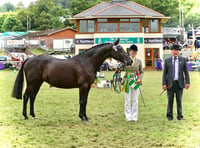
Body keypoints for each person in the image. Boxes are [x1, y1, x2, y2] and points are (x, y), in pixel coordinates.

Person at [162, 44, 190, 121]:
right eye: (174, 50)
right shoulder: (167, 61)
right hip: (170, 84)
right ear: (171, 51)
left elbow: (186, 72)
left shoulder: (183, 60)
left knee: (179, 100)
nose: (176, 52)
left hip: (179, 83)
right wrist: (164, 84)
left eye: (177, 50)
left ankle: (180, 116)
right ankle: (169, 116)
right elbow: (164, 74)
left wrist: (187, 82)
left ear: (179, 51)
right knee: (170, 100)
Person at [122, 44, 144, 122]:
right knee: (127, 99)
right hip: (127, 81)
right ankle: (128, 116)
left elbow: (141, 72)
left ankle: (134, 116)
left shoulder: (139, 61)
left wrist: (139, 79)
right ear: (129, 51)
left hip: (135, 82)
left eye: (135, 51)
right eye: (132, 51)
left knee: (135, 100)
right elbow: (121, 68)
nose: (133, 52)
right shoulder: (125, 60)